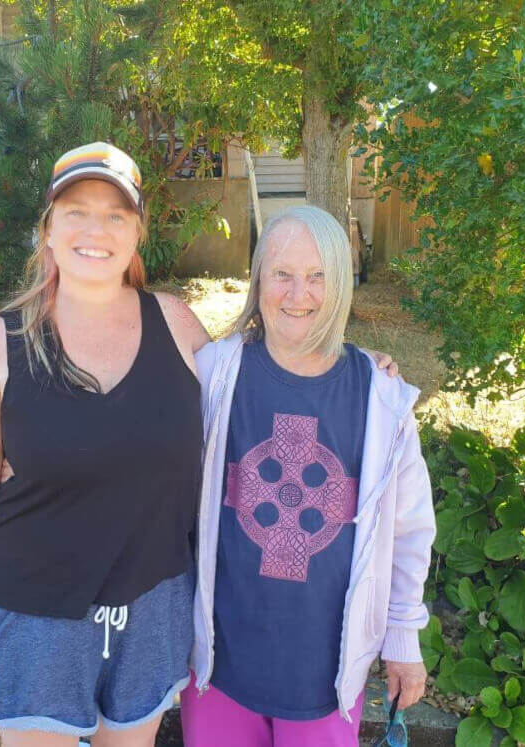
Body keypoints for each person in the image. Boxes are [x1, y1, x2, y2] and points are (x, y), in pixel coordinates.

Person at [0, 142, 209, 747]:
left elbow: (255, 394)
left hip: (154, 603)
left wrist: (351, 364)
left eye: (116, 214)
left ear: (138, 232)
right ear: (48, 231)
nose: (97, 229)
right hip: (37, 614)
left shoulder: (176, 324)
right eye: (77, 211)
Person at [182, 205, 436, 747]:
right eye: (282, 275)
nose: (299, 295)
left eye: (318, 276)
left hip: (324, 679)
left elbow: (410, 529)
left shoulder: (381, 399)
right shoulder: (213, 376)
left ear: (341, 284)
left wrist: (403, 639)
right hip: (219, 669)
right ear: (257, 280)